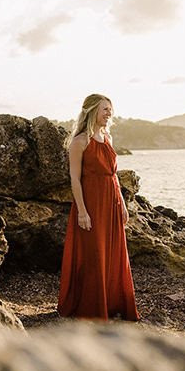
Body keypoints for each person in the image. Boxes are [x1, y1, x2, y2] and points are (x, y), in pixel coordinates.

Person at [58, 94, 139, 321]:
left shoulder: (108, 138)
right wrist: (82, 211)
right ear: (92, 110)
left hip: (111, 202)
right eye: (105, 109)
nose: (109, 114)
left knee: (113, 254)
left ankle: (113, 301)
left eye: (110, 110)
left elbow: (113, 176)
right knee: (94, 254)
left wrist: (122, 203)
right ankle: (92, 306)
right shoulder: (80, 141)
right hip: (91, 204)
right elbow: (75, 179)